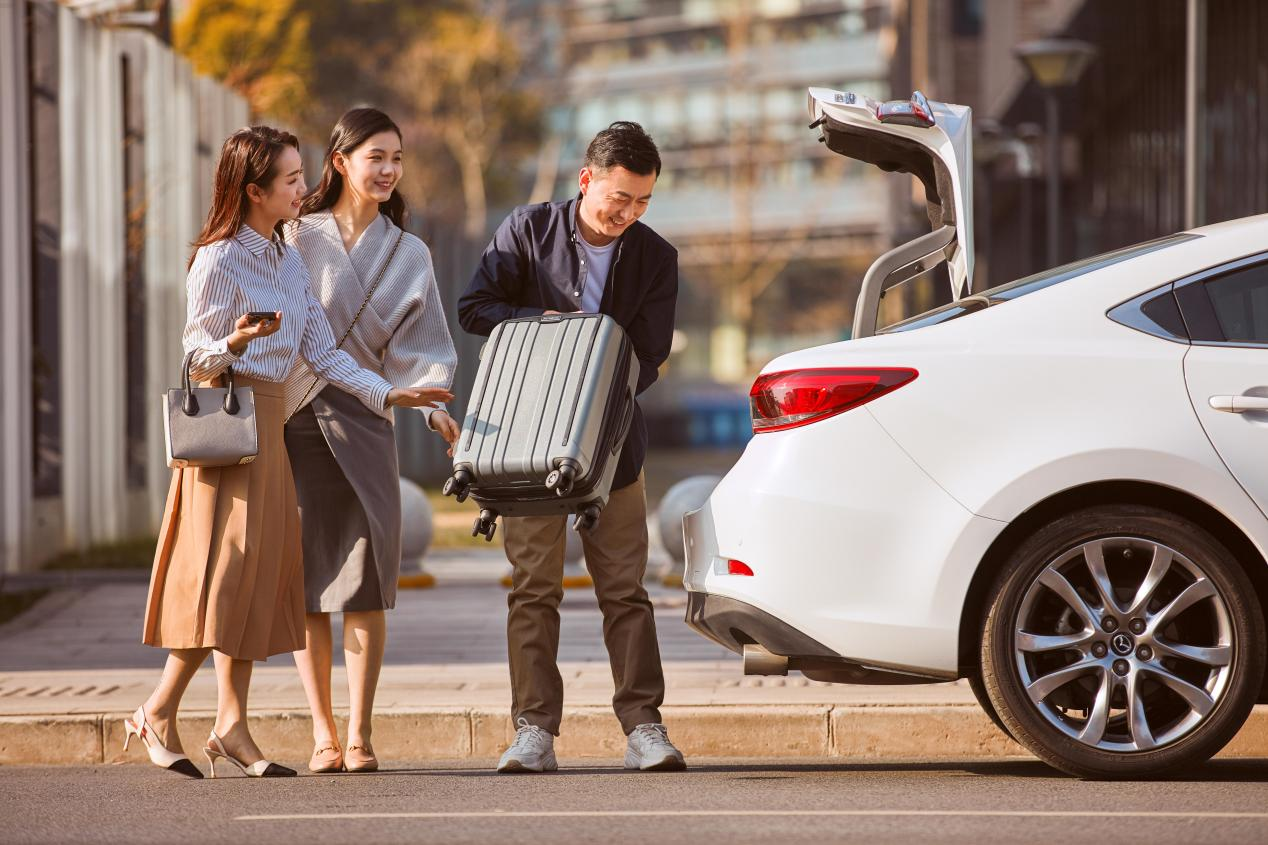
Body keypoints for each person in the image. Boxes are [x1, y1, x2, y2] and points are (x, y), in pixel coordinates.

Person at [130, 125, 450, 779]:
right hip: (228, 429)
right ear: (255, 190)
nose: (304, 190)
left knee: (253, 585)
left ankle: (231, 725)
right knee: (222, 582)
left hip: (271, 431)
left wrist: (394, 396)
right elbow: (197, 355)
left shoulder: (289, 258)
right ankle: (158, 710)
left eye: (303, 177)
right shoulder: (217, 259)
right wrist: (238, 341)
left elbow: (326, 355)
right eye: (291, 180)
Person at [458, 121, 684, 773]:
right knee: (533, 588)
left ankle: (644, 725)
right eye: (620, 197)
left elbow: (650, 356)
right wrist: (545, 328)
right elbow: (476, 307)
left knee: (626, 590)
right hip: (526, 442)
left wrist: (596, 379)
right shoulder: (527, 231)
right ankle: (534, 730)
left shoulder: (656, 257)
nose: (629, 213)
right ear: (586, 180)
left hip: (613, 447)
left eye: (643, 201)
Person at [282, 107, 459, 774]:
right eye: (374, 156)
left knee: (363, 580)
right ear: (339, 162)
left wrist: (434, 410)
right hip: (297, 420)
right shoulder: (295, 237)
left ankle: (359, 731)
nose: (388, 170)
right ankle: (322, 733)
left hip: (368, 424)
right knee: (306, 584)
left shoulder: (410, 252)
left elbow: (424, 353)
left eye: (397, 158)